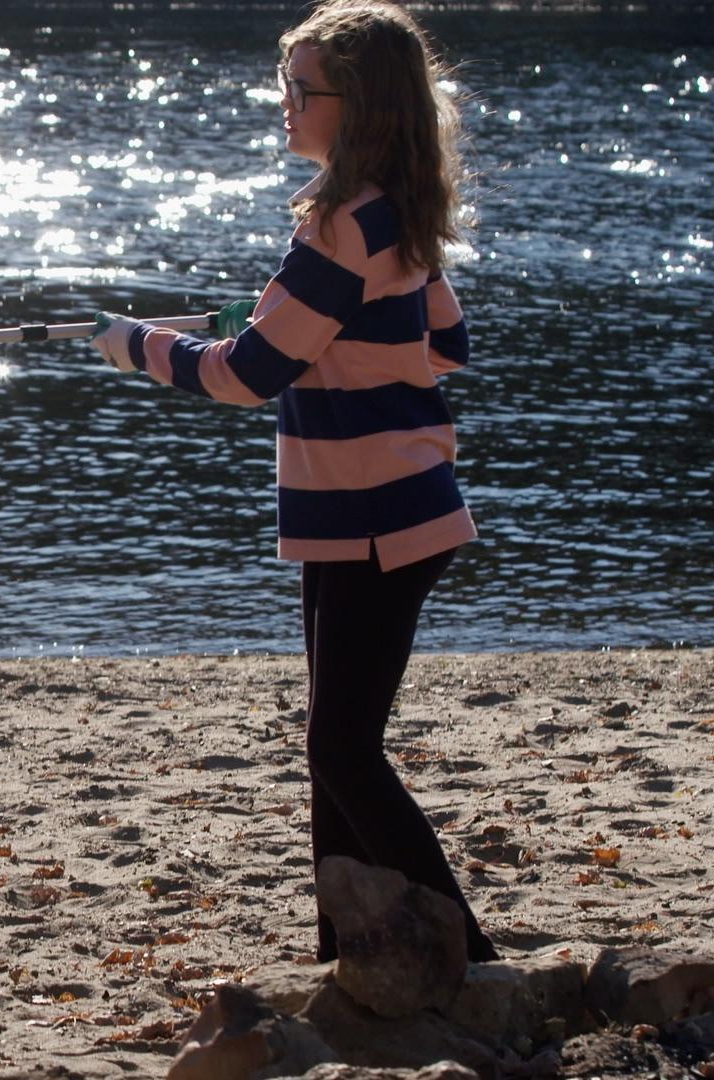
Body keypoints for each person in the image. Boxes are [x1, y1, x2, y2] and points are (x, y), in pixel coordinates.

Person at [88, 0, 497, 965]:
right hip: (369, 512)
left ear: (353, 106)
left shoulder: (339, 227)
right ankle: (344, 954)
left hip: (375, 518)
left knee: (340, 748)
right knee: (333, 747)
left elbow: (243, 374)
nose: (283, 105)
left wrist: (135, 346)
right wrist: (305, 322)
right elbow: (446, 342)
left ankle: (474, 957)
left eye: (298, 90)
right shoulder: (397, 213)